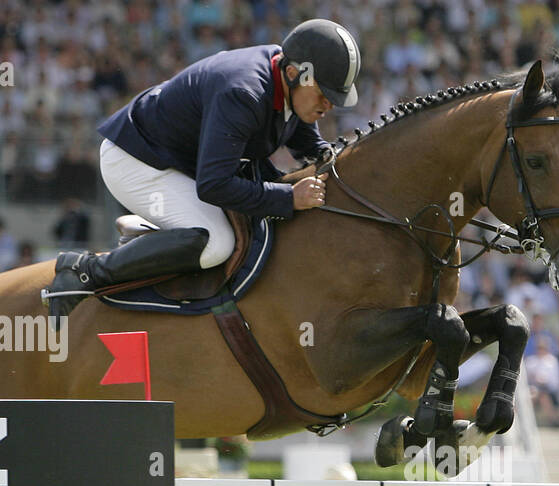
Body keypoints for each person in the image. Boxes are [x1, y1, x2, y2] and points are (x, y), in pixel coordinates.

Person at [44, 19, 360, 319]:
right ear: (293, 73)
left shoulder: (286, 74)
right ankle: (85, 270)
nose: (329, 105)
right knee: (215, 243)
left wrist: (336, 162)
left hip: (182, 161)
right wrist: (288, 198)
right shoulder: (244, 92)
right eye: (323, 93)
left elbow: (304, 133)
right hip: (139, 161)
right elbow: (214, 186)